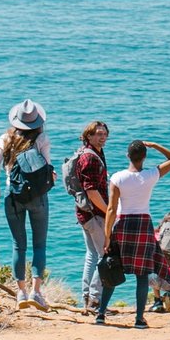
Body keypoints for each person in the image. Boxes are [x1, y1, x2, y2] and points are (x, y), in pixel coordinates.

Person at [95, 138, 170, 328]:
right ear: (145, 157)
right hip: (143, 225)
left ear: (127, 156)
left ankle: (100, 315)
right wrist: (155, 145)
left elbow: (110, 209)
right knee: (142, 274)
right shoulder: (151, 175)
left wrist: (107, 237)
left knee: (112, 266)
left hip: (123, 224)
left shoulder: (117, 178)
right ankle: (139, 319)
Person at [0, 99, 54, 309]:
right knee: (40, 245)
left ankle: (21, 293)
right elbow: (47, 167)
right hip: (37, 197)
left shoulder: (6, 138)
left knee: (19, 245)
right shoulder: (42, 138)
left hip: (13, 196)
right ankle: (36, 293)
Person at [65, 120, 112, 312]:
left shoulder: (89, 153)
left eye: (104, 134)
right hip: (94, 214)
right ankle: (94, 301)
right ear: (89, 136)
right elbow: (91, 190)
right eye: (98, 134)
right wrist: (109, 210)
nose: (102, 137)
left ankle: (87, 297)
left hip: (84, 213)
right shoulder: (91, 158)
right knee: (104, 255)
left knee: (92, 254)